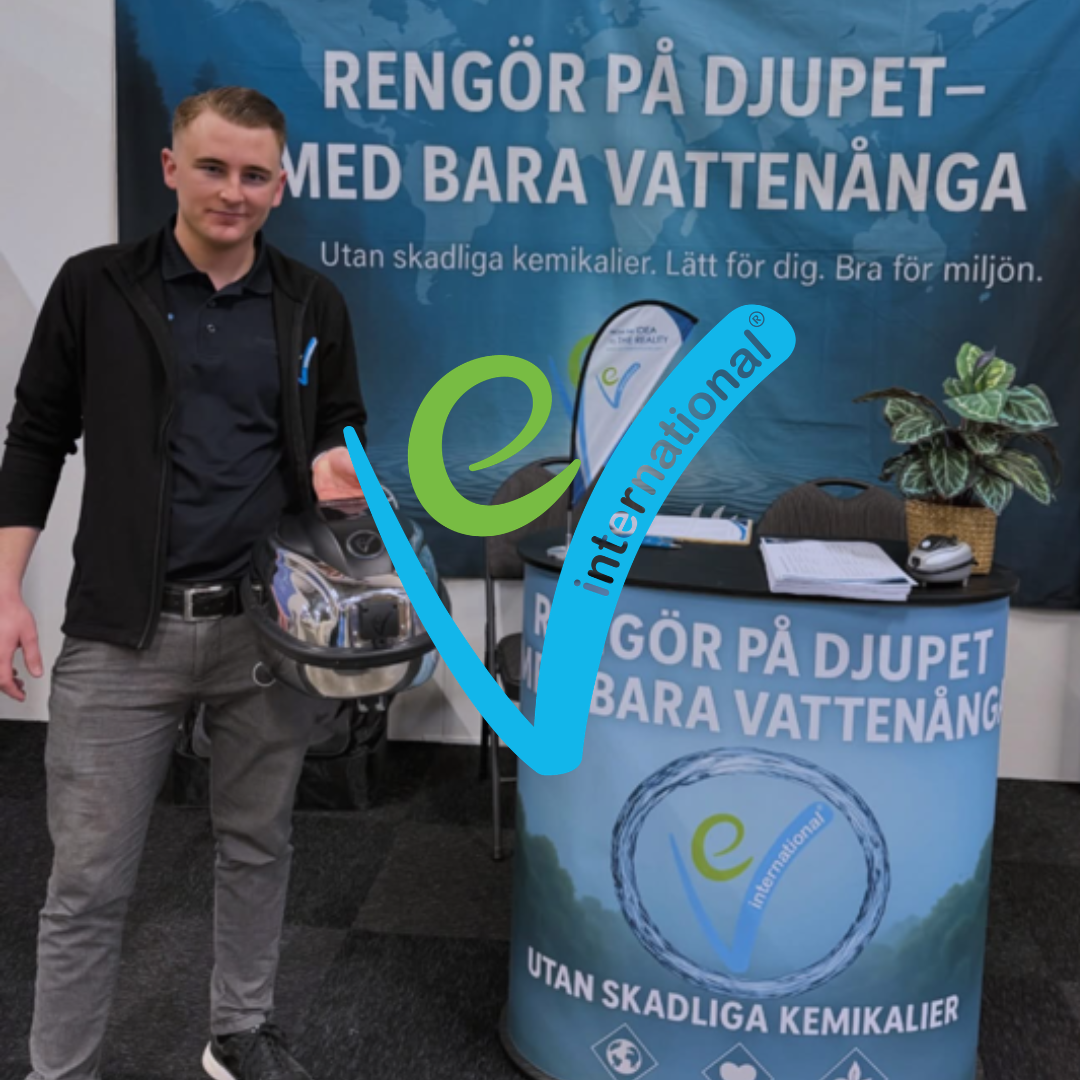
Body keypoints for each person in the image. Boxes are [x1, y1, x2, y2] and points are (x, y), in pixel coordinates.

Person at [0, 87, 369, 1080]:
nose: (232, 191)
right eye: (212, 168)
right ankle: (60, 1068)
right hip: (121, 633)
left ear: (280, 185)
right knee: (87, 880)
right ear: (170, 169)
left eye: (254, 174)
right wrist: (4, 590)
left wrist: (342, 482)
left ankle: (238, 1032)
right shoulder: (94, 288)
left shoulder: (312, 303)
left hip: (264, 632)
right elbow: (35, 437)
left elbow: (340, 435)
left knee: (258, 845)